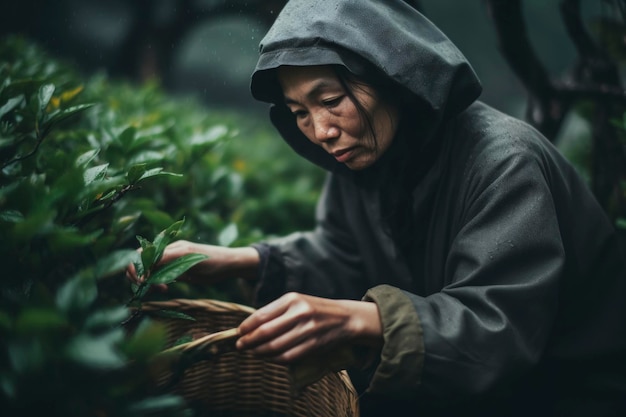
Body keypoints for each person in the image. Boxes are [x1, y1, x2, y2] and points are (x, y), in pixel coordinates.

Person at [128, 0, 626, 415]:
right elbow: (344, 251)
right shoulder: (366, 156)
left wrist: (366, 320)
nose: (321, 131)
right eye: (300, 112)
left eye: (330, 100)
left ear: (392, 77)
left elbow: (500, 325)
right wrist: (238, 259)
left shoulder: (504, 164)